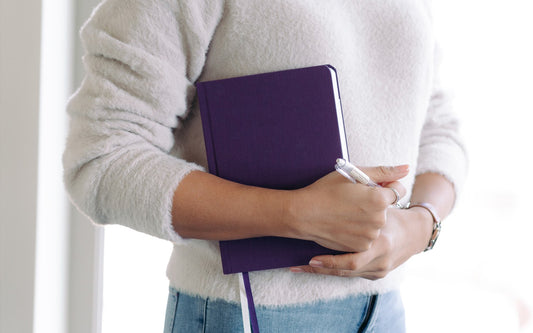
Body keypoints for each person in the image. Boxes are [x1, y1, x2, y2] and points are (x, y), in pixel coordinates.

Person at [63, 0, 467, 332]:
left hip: (385, 310)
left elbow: (438, 124)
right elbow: (102, 157)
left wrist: (419, 225)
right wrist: (295, 215)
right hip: (247, 313)